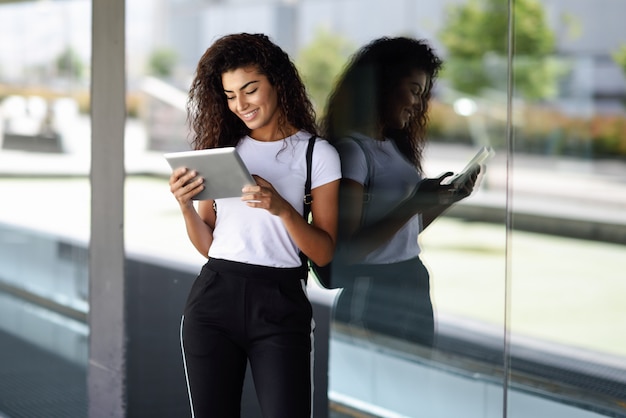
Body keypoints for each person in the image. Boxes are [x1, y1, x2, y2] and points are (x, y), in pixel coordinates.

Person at [169, 33, 341, 418]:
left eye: (250, 89)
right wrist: (185, 207)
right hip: (213, 300)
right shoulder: (223, 152)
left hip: (280, 304)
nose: (241, 104)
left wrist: (281, 208)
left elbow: (324, 250)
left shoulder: (318, 154)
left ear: (277, 82)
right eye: (230, 96)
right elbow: (210, 246)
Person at [321, 36, 480, 347]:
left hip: (410, 281)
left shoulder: (390, 147)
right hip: (374, 290)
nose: (419, 104)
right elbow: (348, 251)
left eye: (424, 95)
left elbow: (403, 233)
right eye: (414, 91)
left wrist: (443, 201)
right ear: (382, 85)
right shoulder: (353, 153)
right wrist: (412, 203)